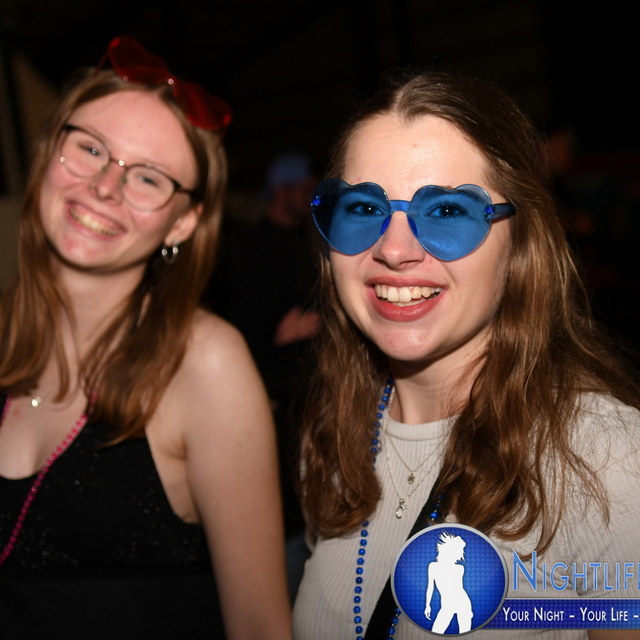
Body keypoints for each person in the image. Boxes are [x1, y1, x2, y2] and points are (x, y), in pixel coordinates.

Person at [292, 69, 640, 639]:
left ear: (520, 242)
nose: (394, 250)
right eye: (363, 209)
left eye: (448, 211)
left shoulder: (606, 460)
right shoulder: (334, 439)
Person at [0, 36, 291, 639]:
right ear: (48, 152)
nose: (105, 187)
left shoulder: (205, 364)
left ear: (182, 222)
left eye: (149, 178)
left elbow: (260, 626)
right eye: (90, 149)